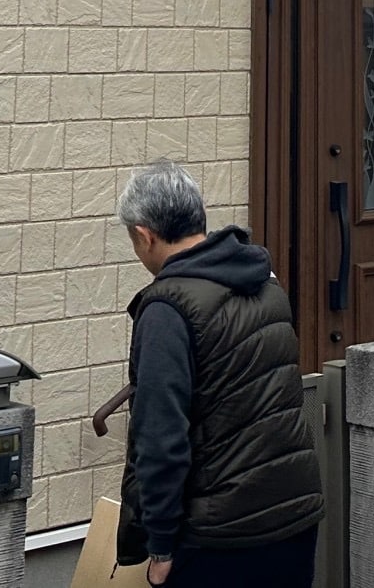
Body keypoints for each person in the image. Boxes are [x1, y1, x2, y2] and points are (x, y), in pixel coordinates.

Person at [113, 160, 323, 586]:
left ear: (144, 235)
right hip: (294, 514)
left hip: (220, 535)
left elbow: (160, 437)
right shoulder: (264, 282)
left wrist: (160, 546)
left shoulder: (167, 308)